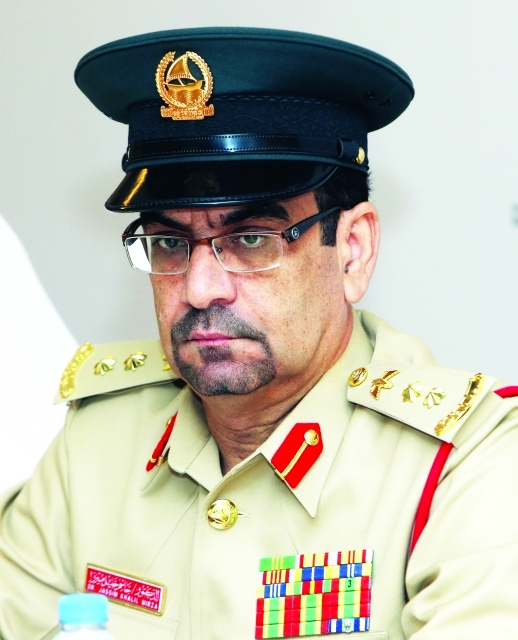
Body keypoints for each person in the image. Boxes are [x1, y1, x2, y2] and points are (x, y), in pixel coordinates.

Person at [1, 27, 517, 640]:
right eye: (169, 243)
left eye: (251, 239)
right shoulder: (98, 441)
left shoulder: (469, 463)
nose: (200, 289)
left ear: (352, 251)